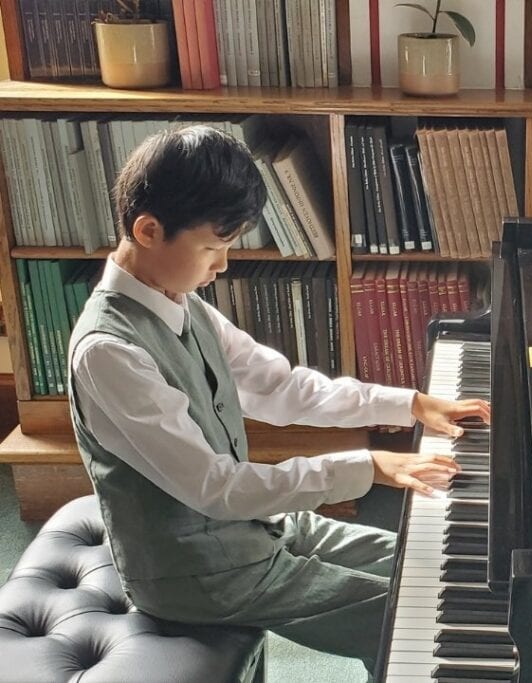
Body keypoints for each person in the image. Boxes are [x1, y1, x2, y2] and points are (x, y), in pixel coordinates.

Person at [66, 124, 489, 677]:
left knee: (441, 567)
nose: (222, 265)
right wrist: (364, 467)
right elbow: (216, 488)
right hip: (196, 574)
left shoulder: (181, 302)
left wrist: (407, 404)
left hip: (257, 527)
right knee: (414, 614)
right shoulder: (109, 353)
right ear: (148, 230)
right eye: (213, 247)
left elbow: (284, 388)